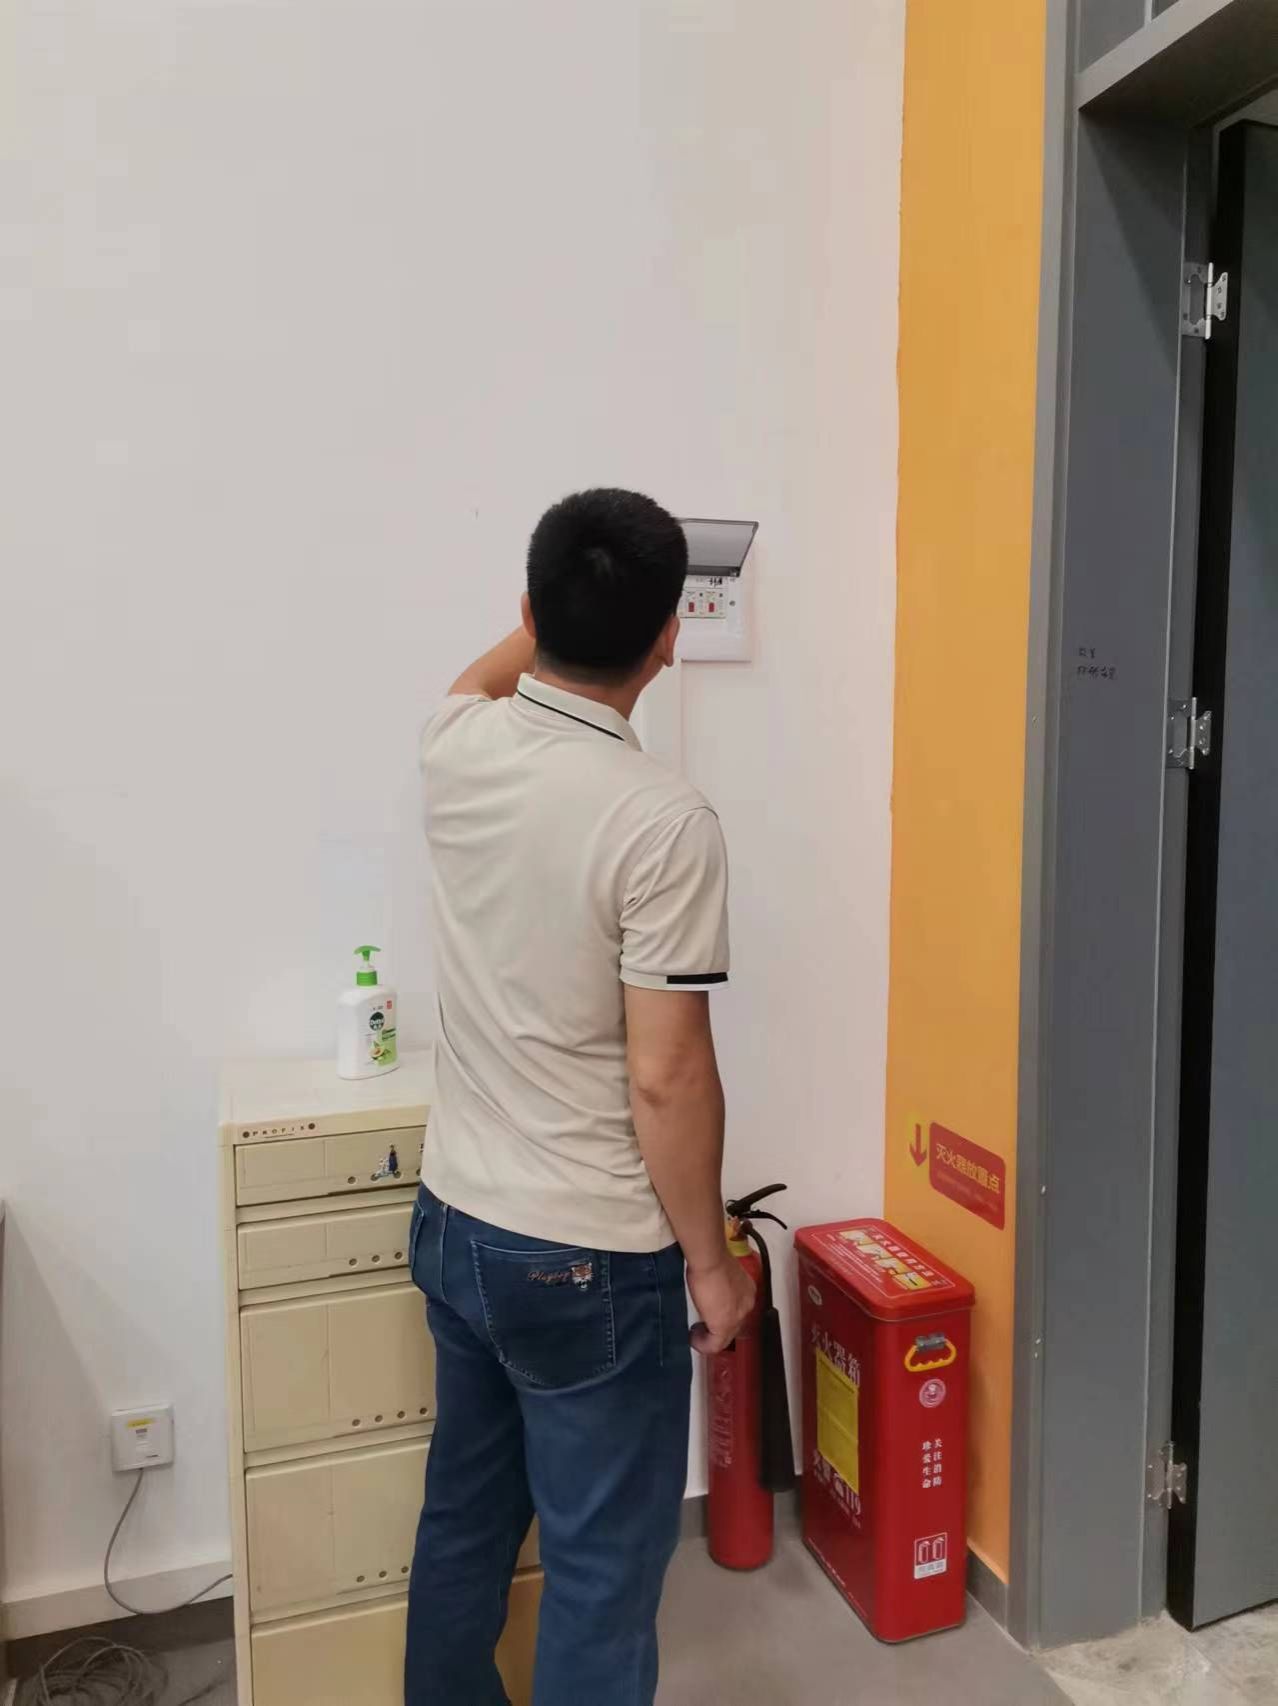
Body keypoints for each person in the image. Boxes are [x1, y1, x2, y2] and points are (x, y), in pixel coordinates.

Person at [405, 488, 755, 1706]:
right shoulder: (663, 819)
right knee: (600, 1574)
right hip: (588, 1260)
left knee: (465, 1520)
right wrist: (713, 1265)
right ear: (671, 636)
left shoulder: (455, 744)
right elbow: (667, 1073)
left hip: (456, 1222)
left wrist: (553, 610)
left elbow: (481, 673)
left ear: (528, 608)